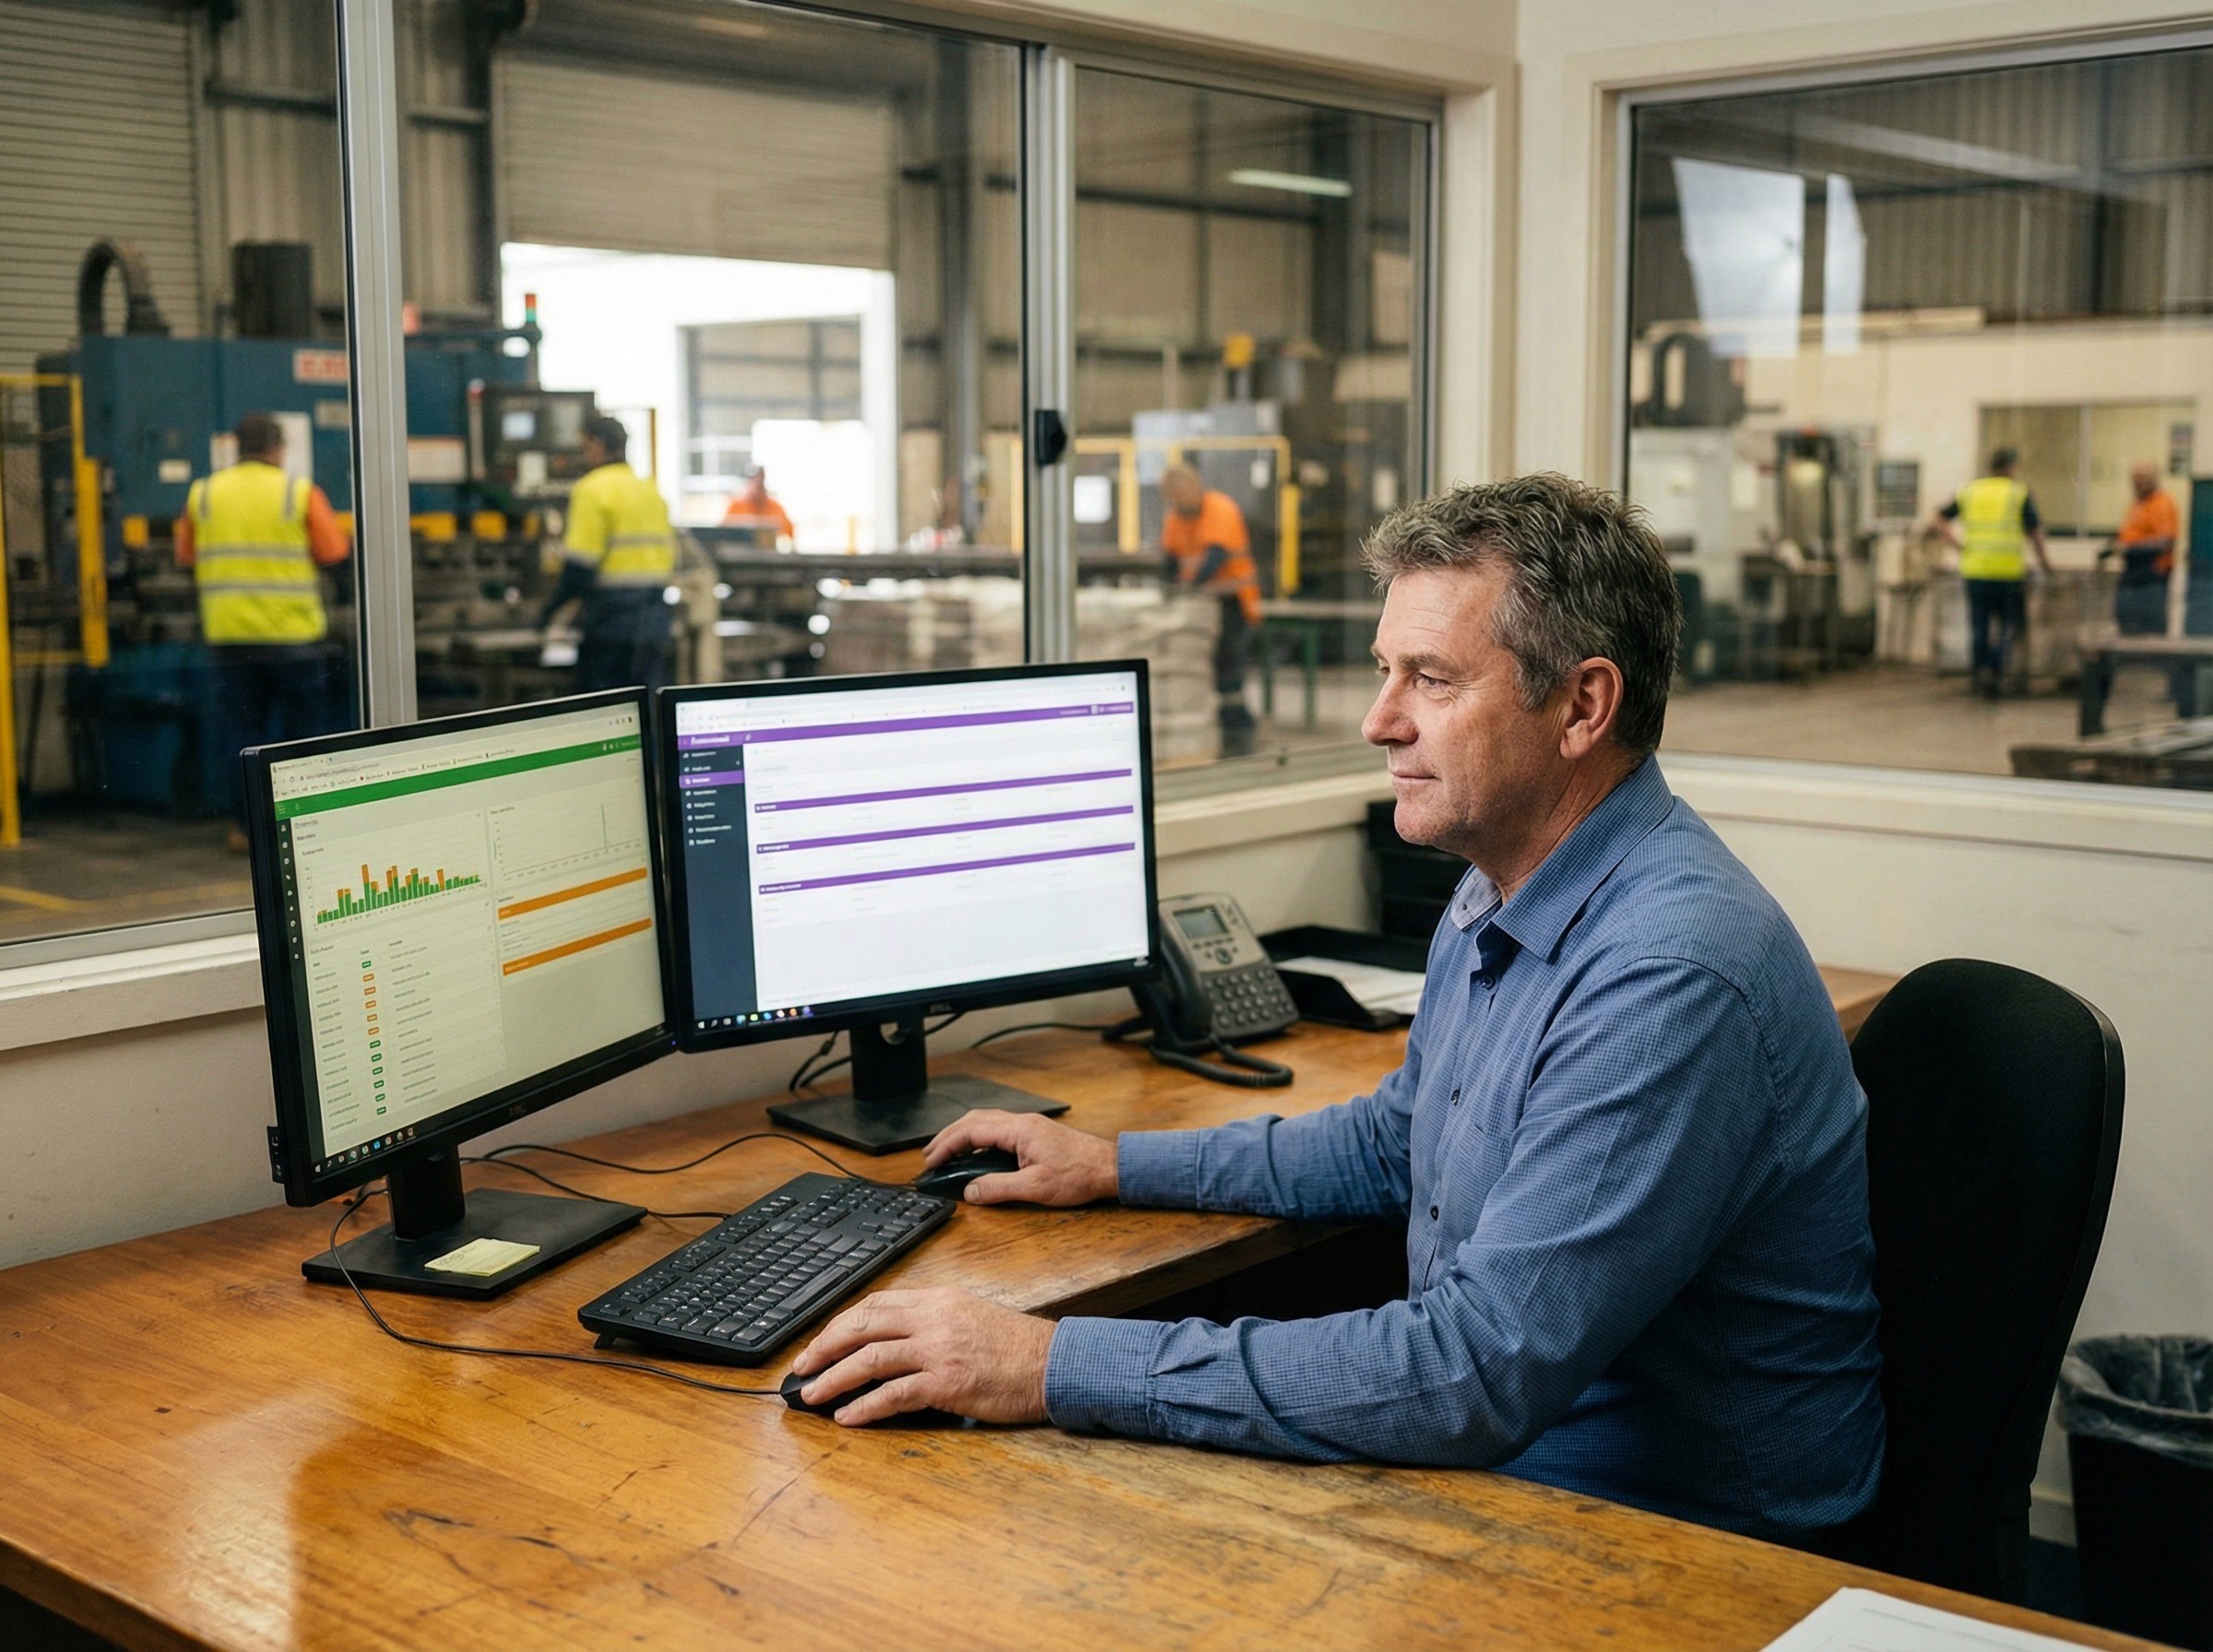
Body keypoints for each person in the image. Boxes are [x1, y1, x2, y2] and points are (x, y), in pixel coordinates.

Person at [788, 473, 1887, 1542]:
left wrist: (1047, 1359)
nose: (1377, 720)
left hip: (1687, 1543)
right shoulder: (1505, 876)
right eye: (1382, 671)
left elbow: (1472, 1375)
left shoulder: (1667, 977)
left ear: (1582, 706)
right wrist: (1116, 1165)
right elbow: (1400, 1138)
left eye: (1432, 680)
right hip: (1530, 1464)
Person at [176, 411, 351, 849]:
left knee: (242, 738)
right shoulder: (298, 491)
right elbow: (334, 552)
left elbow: (185, 556)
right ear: (277, 449)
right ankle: (308, 827)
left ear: (236, 447)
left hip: (231, 641)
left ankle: (246, 829)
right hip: (294, 640)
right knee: (303, 736)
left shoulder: (204, 494)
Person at [540, 414, 678, 692]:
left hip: (612, 622)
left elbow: (579, 567)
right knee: (647, 706)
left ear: (596, 444)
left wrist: (548, 613)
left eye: (584, 446)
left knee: (606, 709)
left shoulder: (592, 490)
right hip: (654, 618)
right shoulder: (649, 490)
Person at [1160, 465, 1261, 758]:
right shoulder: (1176, 516)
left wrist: (1189, 585)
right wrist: (1169, 585)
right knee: (1204, 669)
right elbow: (1170, 558)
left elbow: (1215, 556)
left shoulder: (1220, 509)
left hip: (1233, 601)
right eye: (1172, 499)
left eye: (1179, 497)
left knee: (1229, 667)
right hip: (1202, 605)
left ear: (1193, 488)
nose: (1177, 504)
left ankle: (1238, 730)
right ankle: (1222, 726)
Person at [1935, 447, 2052, 697]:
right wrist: (2046, 565)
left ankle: (1979, 674)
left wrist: (1956, 544)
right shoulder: (2018, 492)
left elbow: (1939, 517)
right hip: (2007, 573)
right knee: (2009, 625)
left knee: (1979, 625)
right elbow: (2035, 534)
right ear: (2011, 466)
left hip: (1975, 571)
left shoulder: (1970, 491)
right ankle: (1996, 669)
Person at [2098, 462, 2179, 637]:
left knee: (2150, 624)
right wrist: (2112, 545)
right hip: (2132, 570)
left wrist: (2130, 548)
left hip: (2151, 573)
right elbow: (2130, 531)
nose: (2136, 483)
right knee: (2124, 616)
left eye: (2141, 479)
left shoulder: (2162, 504)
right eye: (2134, 479)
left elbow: (2165, 542)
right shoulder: (2138, 505)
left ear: (2153, 480)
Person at [720, 465, 795, 548]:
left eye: (759, 481)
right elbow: (723, 531)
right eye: (753, 481)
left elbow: (788, 532)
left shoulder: (775, 506)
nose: (756, 485)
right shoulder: (736, 505)